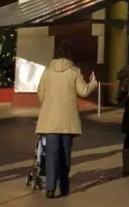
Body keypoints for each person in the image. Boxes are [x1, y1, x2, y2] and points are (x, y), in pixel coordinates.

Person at [35, 42, 98, 198]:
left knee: (51, 153)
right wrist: (93, 83)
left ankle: (50, 188)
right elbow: (83, 91)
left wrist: (48, 103)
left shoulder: (47, 72)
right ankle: (63, 186)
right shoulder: (74, 71)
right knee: (65, 153)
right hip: (68, 119)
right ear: (70, 55)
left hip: (49, 119)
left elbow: (40, 93)